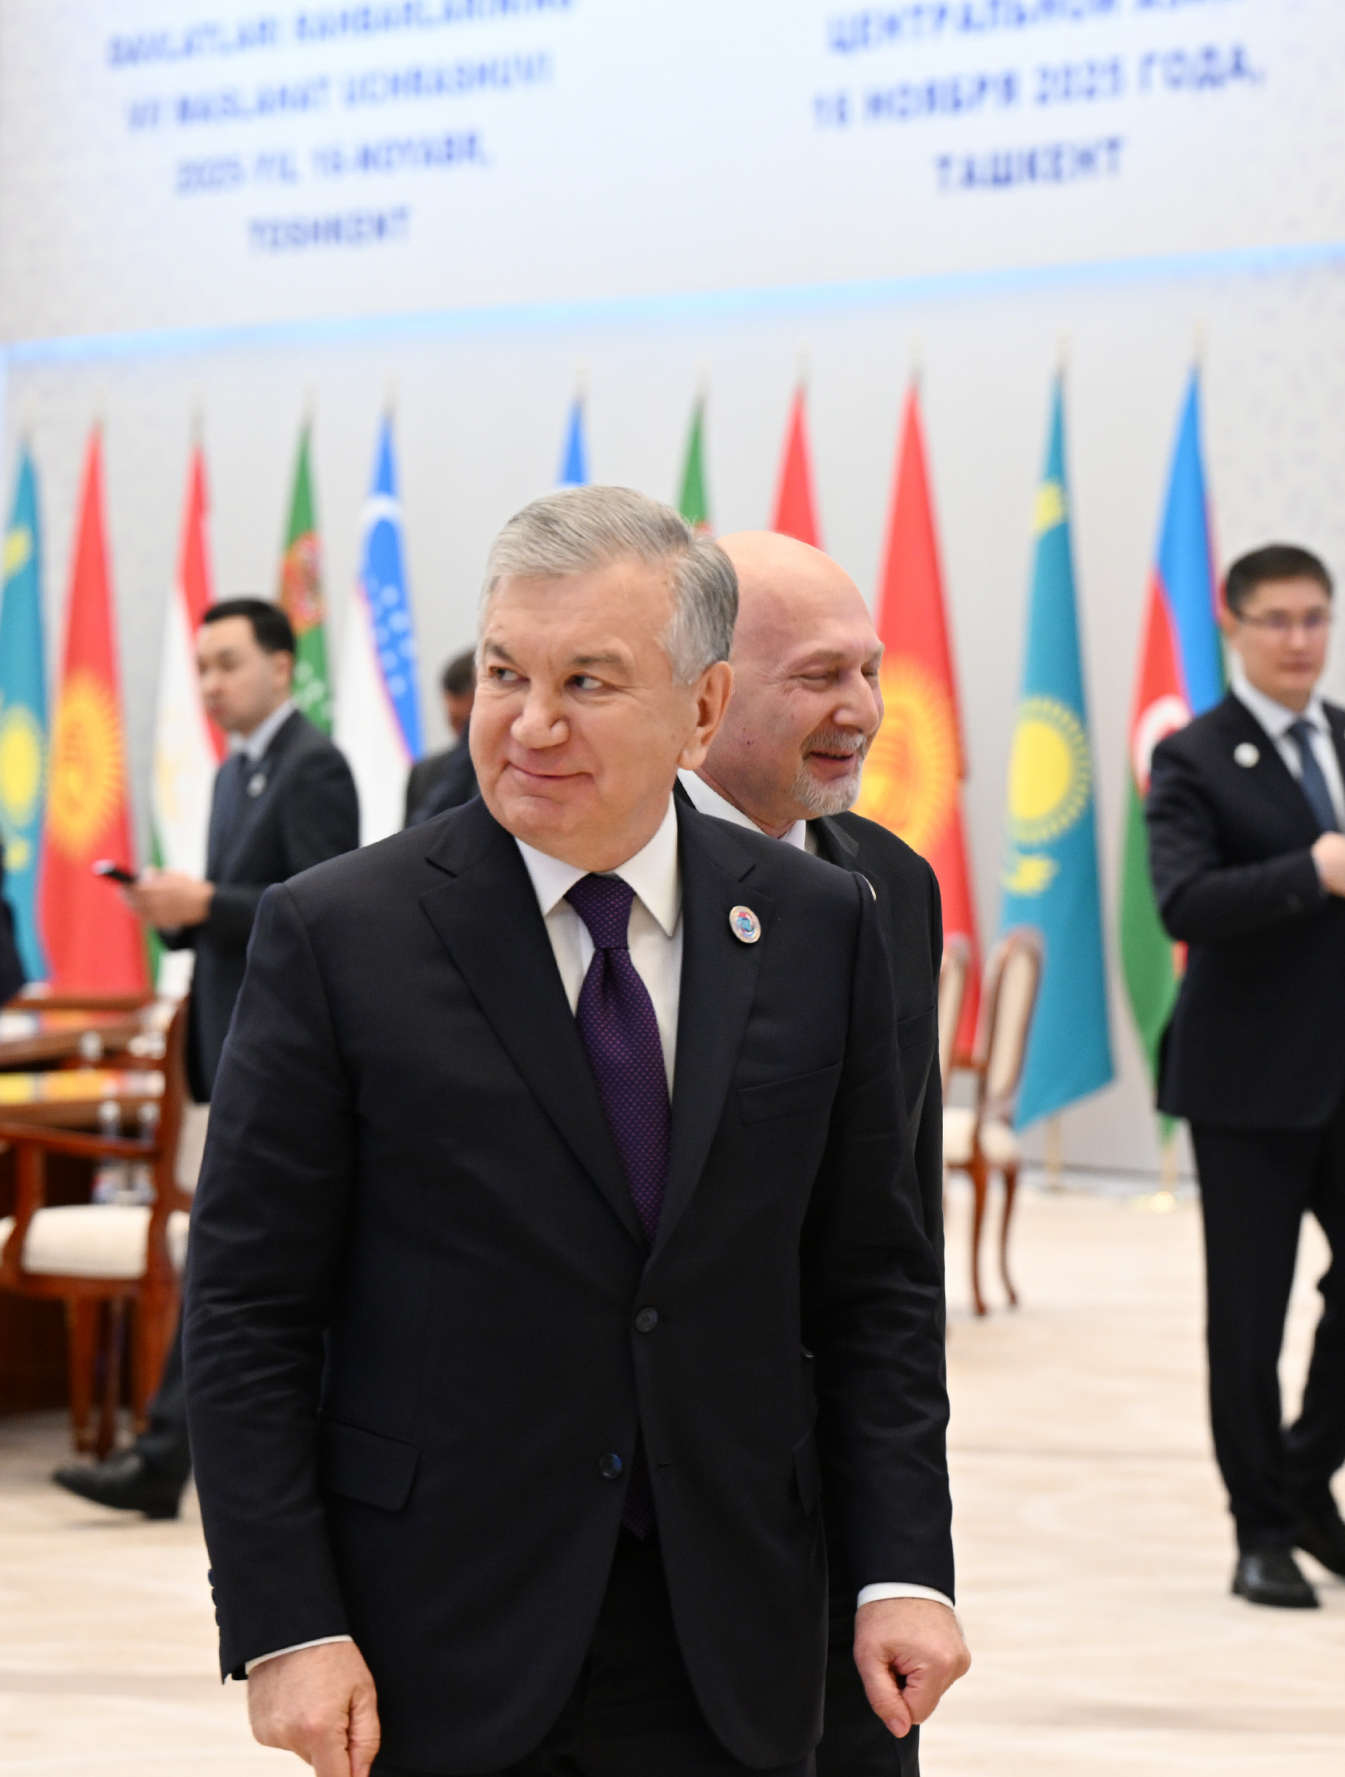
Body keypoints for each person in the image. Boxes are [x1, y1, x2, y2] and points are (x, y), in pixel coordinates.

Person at [185, 488, 965, 1776]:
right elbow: (247, 1308)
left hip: (739, 1624)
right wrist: (287, 1624)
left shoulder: (820, 924)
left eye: (587, 682)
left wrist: (903, 1569)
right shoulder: (338, 934)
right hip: (438, 1632)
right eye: (507, 673)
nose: (530, 723)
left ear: (701, 709)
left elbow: (872, 1284)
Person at [1147, 543, 1345, 1610]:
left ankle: (1304, 1479)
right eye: (1276, 620)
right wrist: (1304, 873)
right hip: (1245, 1085)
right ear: (1233, 626)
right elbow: (1183, 901)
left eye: (1314, 617)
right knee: (1249, 1316)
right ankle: (1261, 1531)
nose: (1298, 639)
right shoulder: (1193, 755)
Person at [690, 527, 947, 1777]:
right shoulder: (587, 883)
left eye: (871, 671)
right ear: (705, 693)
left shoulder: (892, 885)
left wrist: (906, 1558)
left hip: (830, 1492)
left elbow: (897, 1239)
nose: (863, 711)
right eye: (819, 677)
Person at [52, 595, 358, 1521]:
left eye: (228, 663)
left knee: (235, 1264)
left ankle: (168, 1456)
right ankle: (168, 1456)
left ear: (281, 665)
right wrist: (180, 913)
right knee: (230, 1263)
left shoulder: (313, 765)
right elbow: (243, 908)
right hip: (229, 1047)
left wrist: (207, 904)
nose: (211, 684)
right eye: (201, 668)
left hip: (289, 1061)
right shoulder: (234, 773)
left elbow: (323, 912)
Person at [405, 649, 480, 824]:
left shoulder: (516, 774)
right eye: (453, 720)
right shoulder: (424, 774)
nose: (462, 734)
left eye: (469, 722)